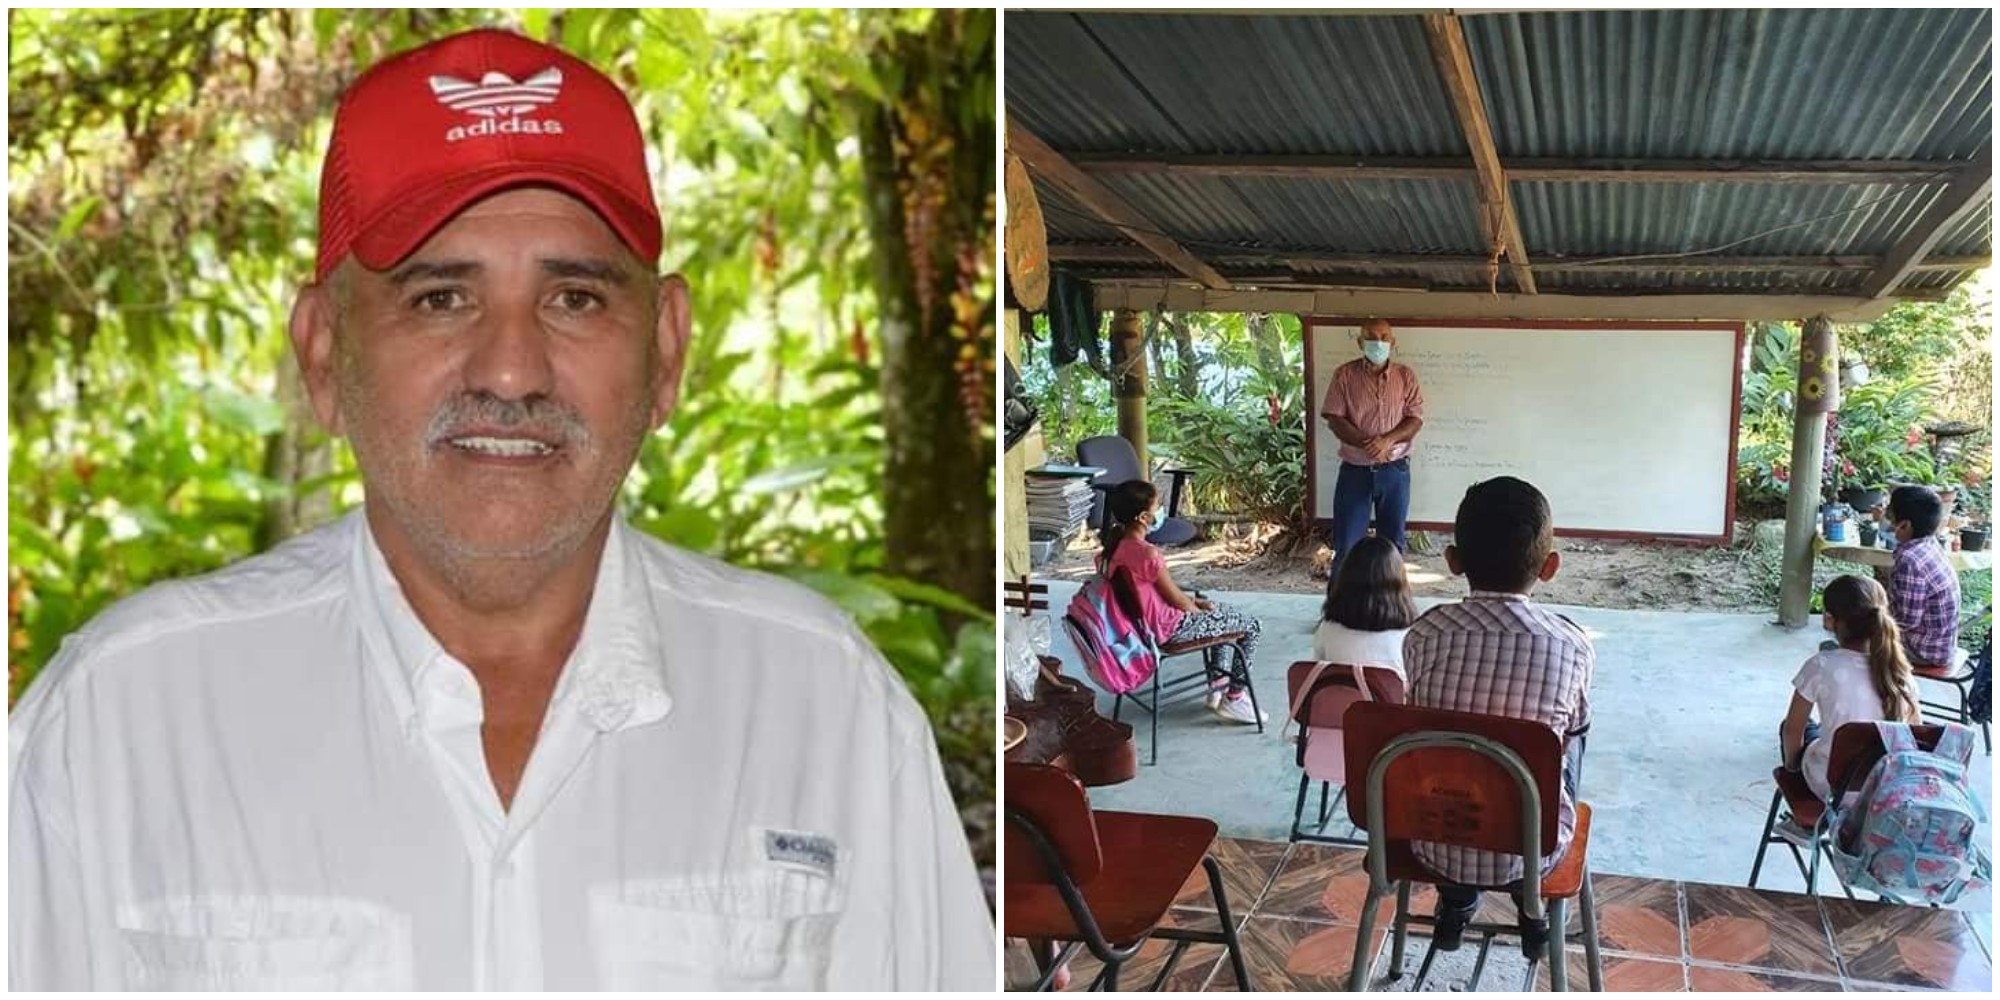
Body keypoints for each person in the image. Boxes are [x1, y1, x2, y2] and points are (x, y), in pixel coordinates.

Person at [9, 29, 990, 990]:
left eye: (574, 298)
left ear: (666, 352)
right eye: (438, 299)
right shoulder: (125, 719)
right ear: (322, 356)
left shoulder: (821, 707)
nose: (512, 368)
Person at [1403, 476, 1592, 957]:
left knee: (1450, 742)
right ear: (1550, 567)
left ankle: (1457, 899)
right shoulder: (1571, 645)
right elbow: (1572, 734)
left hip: (1428, 837)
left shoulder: (1424, 635)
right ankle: (1533, 911)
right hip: (1533, 849)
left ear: (1452, 562)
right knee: (1569, 739)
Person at [1098, 481, 1266, 724]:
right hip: (1169, 629)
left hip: (1143, 627)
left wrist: (1199, 603)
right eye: (1158, 506)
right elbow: (1178, 600)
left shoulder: (1113, 549)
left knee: (1218, 611)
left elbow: (1158, 594)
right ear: (1144, 517)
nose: (1161, 511)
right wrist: (1196, 607)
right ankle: (1235, 697)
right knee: (1251, 625)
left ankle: (1217, 685)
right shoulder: (1147, 554)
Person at [1777, 575, 1920, 838]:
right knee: (1841, 735)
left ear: (1829, 620)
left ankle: (1806, 824)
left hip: (1830, 786)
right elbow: (1914, 733)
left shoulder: (1821, 665)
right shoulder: (1900, 673)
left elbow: (1792, 731)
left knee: (1800, 728)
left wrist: (1793, 767)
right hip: (1885, 787)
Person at [1320, 318, 1425, 581]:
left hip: (1395, 472)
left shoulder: (1405, 376)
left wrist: (1387, 441)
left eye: (1384, 337)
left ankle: (1390, 608)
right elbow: (1334, 418)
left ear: (1393, 342)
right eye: (1371, 337)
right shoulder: (1344, 375)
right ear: (1359, 342)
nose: (1378, 343)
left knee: (1393, 545)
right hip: (1355, 472)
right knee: (1347, 544)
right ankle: (1339, 611)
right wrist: (1368, 443)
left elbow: (1415, 419)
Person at [1312, 535, 1416, 678]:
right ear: (1399, 584)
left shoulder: (1326, 630)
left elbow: (1317, 676)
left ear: (1344, 579)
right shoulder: (1410, 638)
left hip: (1339, 699)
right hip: (1389, 700)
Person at [1884, 485, 1961, 669]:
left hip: (1923, 651)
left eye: (1890, 513)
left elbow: (1905, 621)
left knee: (1854, 630)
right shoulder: (1929, 543)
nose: (1886, 517)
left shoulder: (1910, 561)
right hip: (1939, 645)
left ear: (1905, 525)